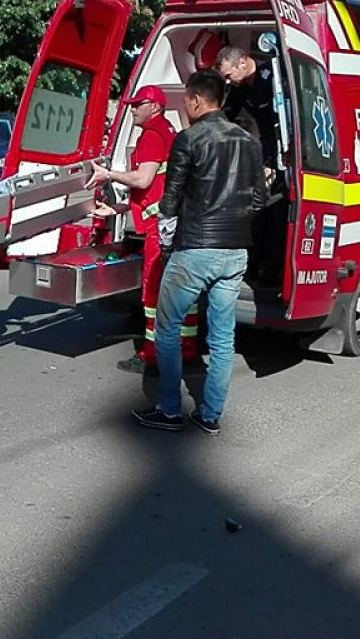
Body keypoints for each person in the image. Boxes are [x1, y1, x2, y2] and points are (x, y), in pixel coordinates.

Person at [132, 70, 266, 435]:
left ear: (194, 100)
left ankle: (169, 410)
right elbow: (259, 199)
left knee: (167, 328)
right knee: (222, 338)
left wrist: (167, 244)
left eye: (185, 101)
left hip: (195, 248)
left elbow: (170, 199)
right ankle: (210, 416)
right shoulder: (249, 141)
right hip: (235, 252)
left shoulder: (188, 139)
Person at [85, 85, 200, 375]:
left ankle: (152, 356)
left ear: (155, 107)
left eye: (138, 104)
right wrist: (118, 209)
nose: (132, 109)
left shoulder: (151, 135)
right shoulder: (168, 131)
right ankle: (187, 352)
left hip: (158, 229)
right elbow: (156, 187)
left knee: (153, 293)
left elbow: (143, 179)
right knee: (182, 293)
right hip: (175, 223)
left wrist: (108, 174)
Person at [216, 45, 284, 284]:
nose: (228, 81)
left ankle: (270, 271)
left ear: (243, 63)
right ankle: (254, 267)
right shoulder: (241, 87)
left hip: (283, 156)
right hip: (263, 155)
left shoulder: (274, 76)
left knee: (276, 213)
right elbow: (226, 116)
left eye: (229, 75)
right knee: (257, 212)